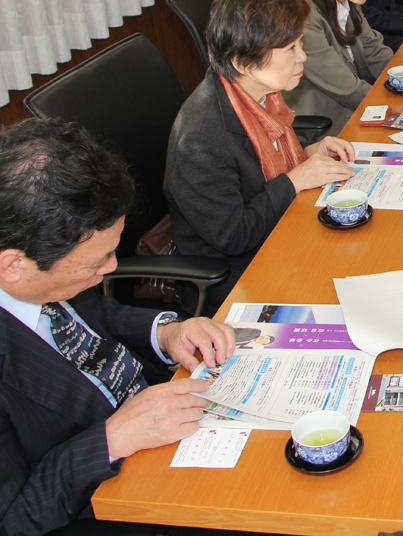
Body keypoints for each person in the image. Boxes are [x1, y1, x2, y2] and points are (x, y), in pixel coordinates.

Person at [0, 118, 235, 535]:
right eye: (97, 261)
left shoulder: (46, 272)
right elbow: (14, 519)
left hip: (167, 421)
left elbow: (99, 316)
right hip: (115, 500)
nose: (111, 268)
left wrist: (165, 333)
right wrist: (112, 438)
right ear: (13, 265)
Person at [164, 0, 356, 315]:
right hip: (240, 276)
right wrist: (295, 180)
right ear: (243, 62)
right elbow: (234, 235)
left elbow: (269, 155)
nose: (302, 57)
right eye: (290, 49)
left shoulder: (258, 95)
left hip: (284, 233)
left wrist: (308, 152)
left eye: (300, 43)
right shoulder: (200, 139)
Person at [285, 0, 394, 133]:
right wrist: (396, 106)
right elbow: (346, 89)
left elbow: (374, 52)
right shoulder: (301, 16)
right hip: (329, 122)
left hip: (356, 103)